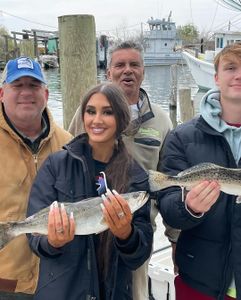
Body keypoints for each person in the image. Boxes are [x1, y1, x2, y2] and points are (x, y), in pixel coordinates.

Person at [68, 40, 180, 300]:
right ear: (109, 73)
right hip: (87, 227)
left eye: (134, 64)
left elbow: (169, 184)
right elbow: (67, 160)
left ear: (143, 71)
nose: (127, 70)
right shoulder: (86, 114)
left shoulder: (162, 121)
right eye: (119, 65)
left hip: (136, 232)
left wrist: (175, 238)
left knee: (135, 294)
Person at [26, 82, 153, 300]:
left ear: (121, 118)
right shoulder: (56, 165)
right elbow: (35, 239)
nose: (97, 120)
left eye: (108, 112)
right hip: (62, 292)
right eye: (90, 111)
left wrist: (126, 234)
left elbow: (139, 254)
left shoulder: (136, 175)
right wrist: (53, 242)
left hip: (113, 292)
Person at [157, 42, 241, 300]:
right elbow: (168, 207)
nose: (239, 75)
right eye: (230, 68)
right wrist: (189, 208)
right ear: (215, 77)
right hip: (201, 279)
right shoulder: (182, 137)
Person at [0, 56, 72, 299]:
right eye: (17, 85)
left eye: (33, 85)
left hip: (57, 277)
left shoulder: (68, 144)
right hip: (5, 283)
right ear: (2, 93)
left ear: (46, 94)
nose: (26, 93)